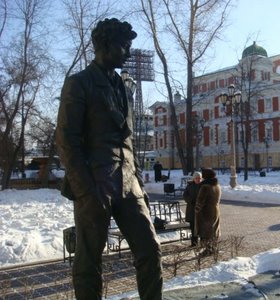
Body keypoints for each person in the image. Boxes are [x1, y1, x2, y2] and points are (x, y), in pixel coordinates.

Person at [56, 18, 162, 300]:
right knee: (89, 262)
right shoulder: (79, 83)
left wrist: (138, 183)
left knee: (150, 250)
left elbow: (126, 141)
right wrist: (85, 190)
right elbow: (67, 140)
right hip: (95, 185)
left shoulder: (122, 86)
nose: (128, 53)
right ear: (105, 45)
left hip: (128, 184)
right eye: (124, 46)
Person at [195, 168, 221, 256]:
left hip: (206, 213)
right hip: (215, 210)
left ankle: (208, 250)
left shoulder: (205, 187)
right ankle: (214, 248)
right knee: (213, 230)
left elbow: (200, 201)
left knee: (206, 232)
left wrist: (196, 210)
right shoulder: (217, 186)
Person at [183, 171, 202, 246]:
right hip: (191, 210)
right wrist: (191, 201)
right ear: (194, 178)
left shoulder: (203, 186)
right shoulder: (189, 186)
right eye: (196, 178)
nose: (198, 180)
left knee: (201, 228)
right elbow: (185, 195)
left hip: (201, 211)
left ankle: (203, 243)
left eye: (199, 178)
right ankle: (194, 243)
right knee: (193, 228)